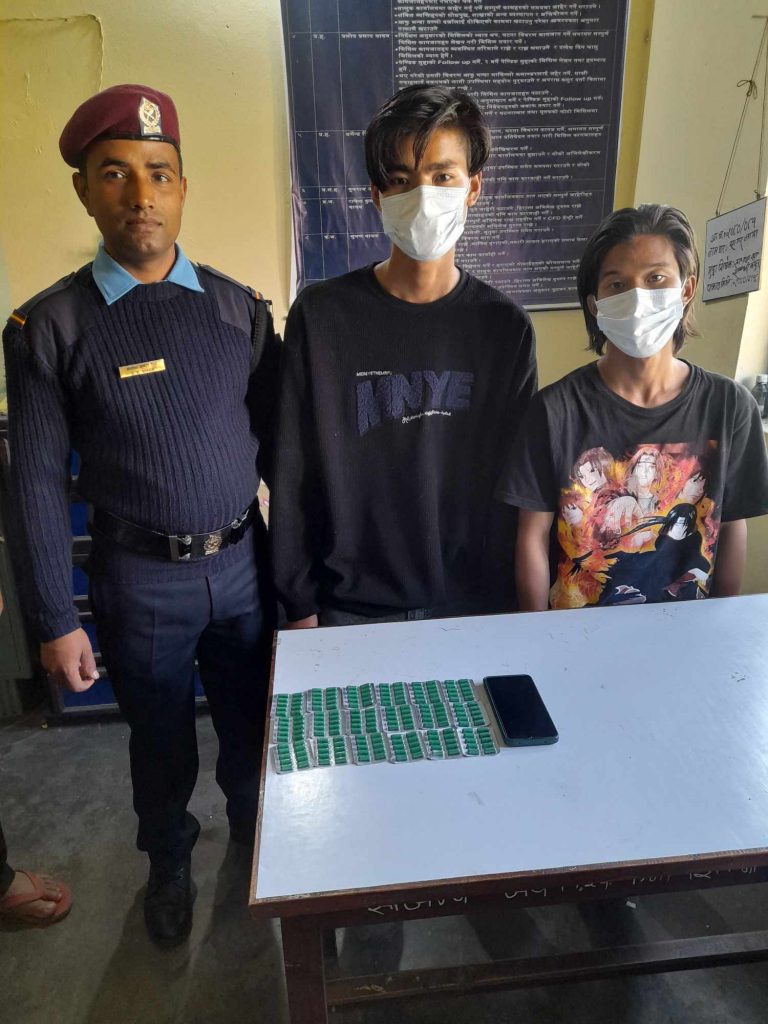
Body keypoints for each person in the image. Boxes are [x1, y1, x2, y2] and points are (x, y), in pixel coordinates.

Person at [3, 85, 279, 947]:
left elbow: (284, 452)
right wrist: (55, 618)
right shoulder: (49, 327)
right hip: (140, 579)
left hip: (245, 565)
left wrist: (305, 577)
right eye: (115, 173)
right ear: (84, 191)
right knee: (158, 740)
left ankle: (258, 836)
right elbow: (34, 483)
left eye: (159, 173)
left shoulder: (238, 309)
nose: (141, 194)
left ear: (183, 188)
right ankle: (168, 861)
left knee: (252, 721)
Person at [271, 84, 537, 628]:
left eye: (442, 176)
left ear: (473, 186)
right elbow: (291, 470)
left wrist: (513, 608)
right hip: (349, 607)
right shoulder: (321, 317)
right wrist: (298, 605)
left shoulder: (504, 329)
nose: (422, 196)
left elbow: (517, 485)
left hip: (472, 606)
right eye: (400, 180)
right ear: (377, 195)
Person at [498, 203, 768, 610]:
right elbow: (532, 535)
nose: (638, 297)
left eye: (656, 278)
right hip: (574, 633)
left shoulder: (730, 407)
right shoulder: (554, 411)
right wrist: (536, 632)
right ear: (595, 304)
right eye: (617, 284)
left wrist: (719, 623)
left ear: (686, 289)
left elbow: (730, 527)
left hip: (687, 631)